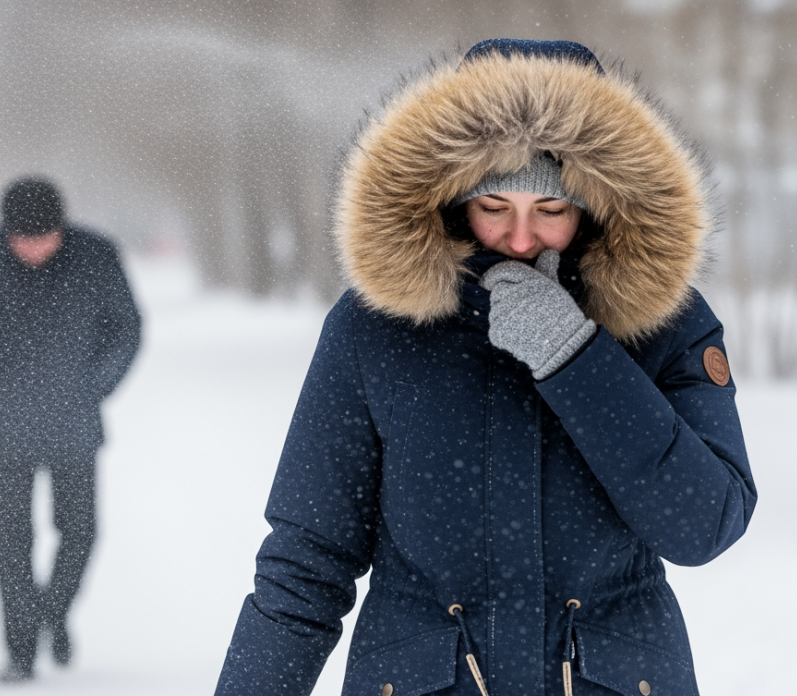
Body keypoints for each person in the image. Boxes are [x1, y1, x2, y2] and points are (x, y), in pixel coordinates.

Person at [215, 39, 756, 696]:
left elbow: (704, 524)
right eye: (495, 207)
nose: (522, 239)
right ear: (452, 196)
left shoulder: (665, 321)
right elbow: (306, 565)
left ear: (592, 204)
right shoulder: (376, 326)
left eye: (550, 210)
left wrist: (576, 356)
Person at [0, 177, 141, 683]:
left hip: (74, 420)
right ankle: (20, 650)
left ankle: (51, 612)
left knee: (81, 532)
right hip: (4, 425)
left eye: (43, 238)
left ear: (61, 229)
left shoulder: (97, 256)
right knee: (13, 541)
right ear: (5, 232)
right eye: (21, 239)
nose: (32, 248)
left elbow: (126, 329)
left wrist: (93, 386)